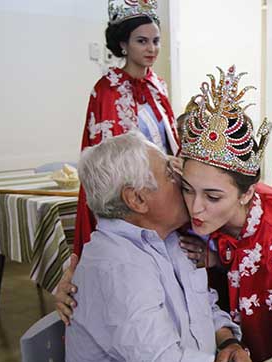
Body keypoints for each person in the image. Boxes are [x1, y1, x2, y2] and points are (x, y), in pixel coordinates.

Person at [65, 131, 272, 362]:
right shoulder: (118, 267)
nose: (180, 178)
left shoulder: (167, 237)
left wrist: (227, 341)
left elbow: (204, 306)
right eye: (172, 176)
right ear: (138, 199)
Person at [177, 65, 272, 362]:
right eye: (187, 189)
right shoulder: (193, 203)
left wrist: (220, 260)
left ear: (247, 193)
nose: (195, 208)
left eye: (212, 197)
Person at [74, 0, 179, 258]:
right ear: (123, 44)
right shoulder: (106, 89)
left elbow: (169, 139)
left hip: (164, 182)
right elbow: (106, 156)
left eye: (156, 41)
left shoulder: (158, 85)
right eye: (141, 41)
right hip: (131, 190)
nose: (151, 48)